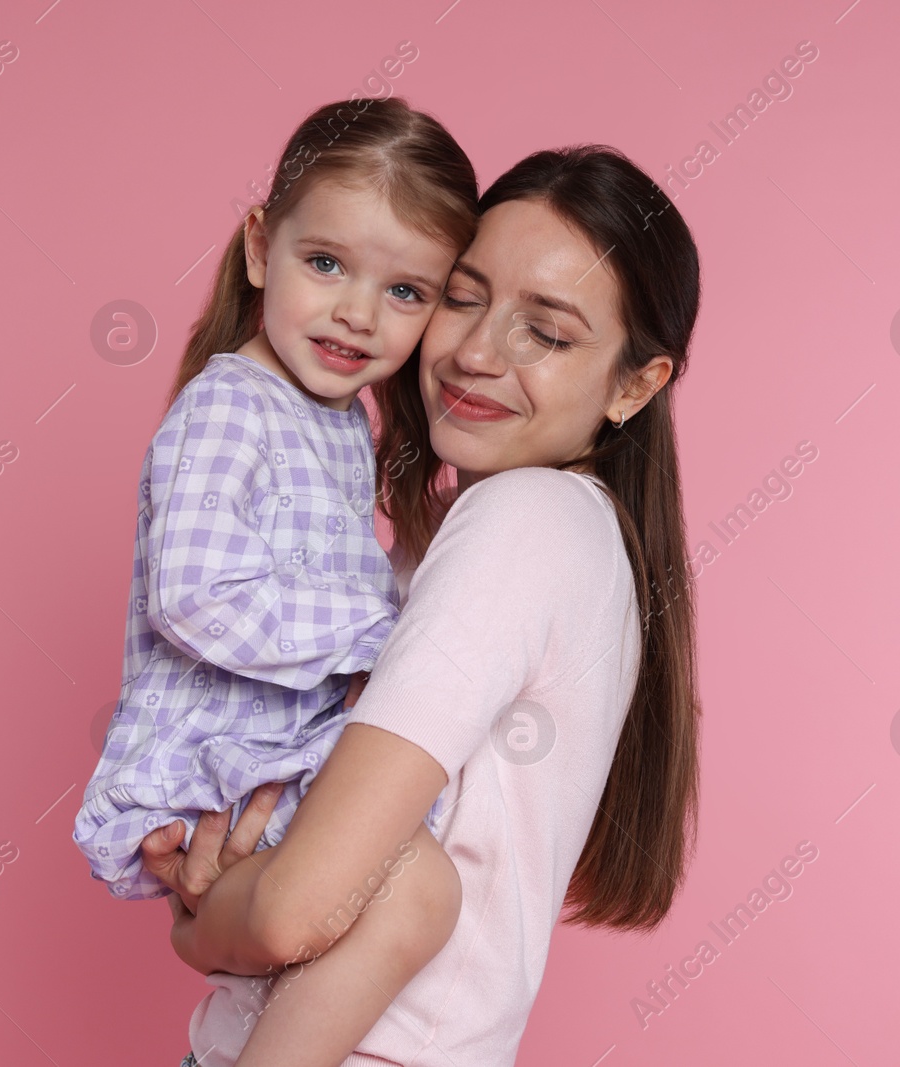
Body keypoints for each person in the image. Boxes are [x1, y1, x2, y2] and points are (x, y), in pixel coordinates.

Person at [144, 143, 704, 1066]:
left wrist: (200, 927)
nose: (477, 354)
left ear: (637, 385)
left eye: (549, 333)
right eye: (463, 295)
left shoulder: (522, 521)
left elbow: (291, 911)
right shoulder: (499, 535)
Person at [72, 97, 480, 1066]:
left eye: (406, 291)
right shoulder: (228, 404)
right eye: (326, 262)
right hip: (217, 756)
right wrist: (392, 632)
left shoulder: (338, 420)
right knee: (413, 888)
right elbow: (198, 593)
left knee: (380, 903)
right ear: (261, 244)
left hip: (271, 749)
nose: (355, 312)